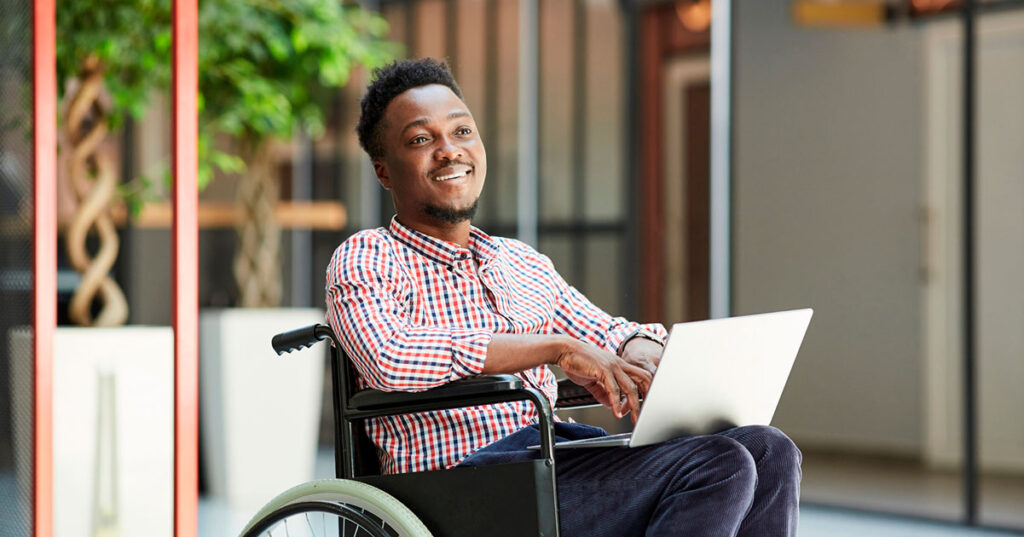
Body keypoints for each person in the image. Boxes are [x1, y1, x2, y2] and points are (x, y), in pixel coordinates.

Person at [326, 57, 801, 537]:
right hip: (461, 482)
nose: (450, 151)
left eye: (462, 131)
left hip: (556, 455)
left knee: (769, 449)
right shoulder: (368, 256)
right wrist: (554, 348)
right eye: (421, 140)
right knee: (718, 465)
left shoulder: (518, 261)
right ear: (384, 171)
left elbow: (608, 332)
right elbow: (390, 358)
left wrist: (639, 350)